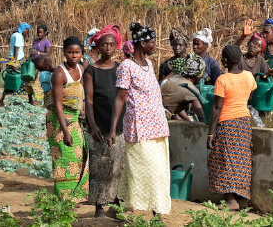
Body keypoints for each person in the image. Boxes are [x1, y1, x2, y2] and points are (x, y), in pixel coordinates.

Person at [108, 22, 171, 217]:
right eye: (152, 42)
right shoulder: (126, 66)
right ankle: (157, 213)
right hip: (139, 129)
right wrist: (112, 129)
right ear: (141, 43)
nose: (155, 45)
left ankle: (115, 208)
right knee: (152, 170)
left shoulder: (149, 65)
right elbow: (120, 99)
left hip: (158, 127)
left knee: (145, 169)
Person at [207, 44, 257, 210]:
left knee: (222, 160)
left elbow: (216, 108)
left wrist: (210, 134)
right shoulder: (249, 77)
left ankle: (231, 200)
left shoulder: (222, 80)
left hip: (227, 123)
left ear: (226, 61)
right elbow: (250, 96)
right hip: (243, 123)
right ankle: (238, 197)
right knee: (239, 160)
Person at [83, 25, 126, 218]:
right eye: (104, 45)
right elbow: (89, 100)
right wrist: (92, 125)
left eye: (111, 44)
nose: (108, 48)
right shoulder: (92, 71)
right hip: (99, 124)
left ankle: (116, 206)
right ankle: (99, 206)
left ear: (116, 47)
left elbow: (123, 96)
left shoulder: (120, 68)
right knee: (99, 166)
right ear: (98, 47)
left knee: (117, 166)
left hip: (117, 125)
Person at [47, 36, 89, 202]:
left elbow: (83, 96)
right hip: (59, 121)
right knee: (63, 158)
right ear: (64, 53)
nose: (74, 56)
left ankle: (74, 197)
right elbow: (58, 104)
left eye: (77, 53)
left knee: (78, 156)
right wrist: (65, 131)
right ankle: (63, 198)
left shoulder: (81, 69)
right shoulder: (59, 73)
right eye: (70, 52)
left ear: (81, 54)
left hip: (75, 119)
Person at [0, 23, 34, 107]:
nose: (27, 32)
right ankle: (30, 100)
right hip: (17, 60)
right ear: (24, 29)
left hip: (13, 59)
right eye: (27, 30)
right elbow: (16, 49)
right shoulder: (19, 36)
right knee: (25, 79)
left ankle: (2, 100)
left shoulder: (14, 35)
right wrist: (15, 63)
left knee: (10, 80)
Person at [160, 53, 207, 121]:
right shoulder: (191, 89)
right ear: (198, 73)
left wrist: (187, 120)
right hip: (162, 117)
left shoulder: (176, 77)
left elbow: (175, 105)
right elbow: (201, 116)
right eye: (203, 72)